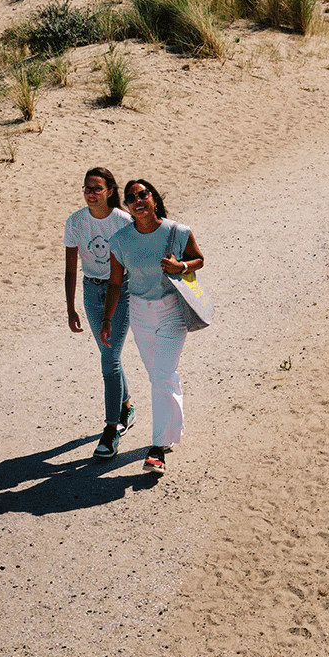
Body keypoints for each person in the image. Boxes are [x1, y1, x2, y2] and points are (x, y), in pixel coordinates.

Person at [102, 179, 204, 476]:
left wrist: (181, 267)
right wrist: (108, 319)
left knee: (162, 375)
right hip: (139, 313)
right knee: (159, 377)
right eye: (131, 198)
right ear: (128, 207)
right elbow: (116, 282)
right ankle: (172, 428)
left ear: (154, 199)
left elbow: (198, 259)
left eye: (143, 194)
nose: (138, 200)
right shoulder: (120, 241)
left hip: (172, 310)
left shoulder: (177, 231)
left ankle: (157, 449)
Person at [64, 168, 136, 460]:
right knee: (111, 355)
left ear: (109, 191)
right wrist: (70, 308)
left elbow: (122, 274)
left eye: (96, 188)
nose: (90, 194)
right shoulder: (76, 221)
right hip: (91, 290)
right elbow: (70, 268)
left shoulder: (123, 222)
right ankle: (127, 406)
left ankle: (111, 430)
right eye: (86, 188)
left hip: (121, 290)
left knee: (109, 356)